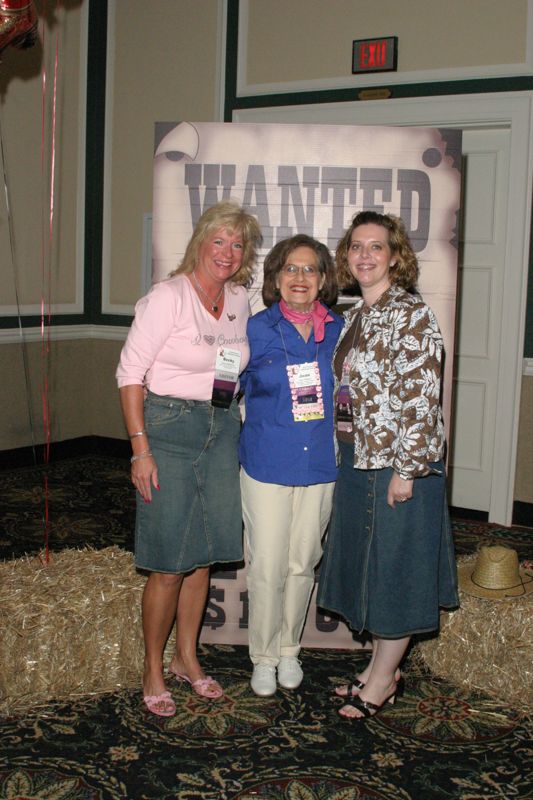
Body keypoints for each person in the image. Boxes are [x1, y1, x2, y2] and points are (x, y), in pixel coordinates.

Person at [116, 200, 262, 716]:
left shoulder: (241, 299)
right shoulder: (168, 297)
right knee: (169, 562)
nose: (226, 252)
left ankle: (187, 659)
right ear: (200, 242)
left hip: (222, 429)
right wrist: (140, 450)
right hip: (169, 429)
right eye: (218, 240)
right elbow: (130, 373)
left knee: (202, 557)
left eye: (237, 243)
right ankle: (153, 668)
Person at [317, 210, 459, 720]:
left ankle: (382, 681)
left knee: (394, 571)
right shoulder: (356, 316)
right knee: (372, 567)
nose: (365, 256)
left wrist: (407, 470)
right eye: (356, 246)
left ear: (396, 256)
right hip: (358, 460)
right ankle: (382, 667)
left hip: (400, 467)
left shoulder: (410, 314)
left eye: (376, 247)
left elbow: (422, 399)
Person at [239, 234, 343, 697]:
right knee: (267, 564)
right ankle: (261, 657)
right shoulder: (254, 329)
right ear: (275, 278)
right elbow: (225, 388)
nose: (300, 278)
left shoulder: (339, 330)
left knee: (303, 562)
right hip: (266, 462)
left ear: (323, 279)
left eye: (310, 270)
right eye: (290, 269)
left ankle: (288, 651)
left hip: (319, 464)